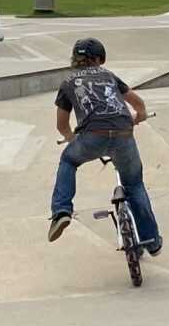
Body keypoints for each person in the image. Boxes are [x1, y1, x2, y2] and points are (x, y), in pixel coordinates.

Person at [49, 37, 160, 254]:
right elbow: (137, 103)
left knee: (68, 160)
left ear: (75, 59)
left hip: (92, 136)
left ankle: (61, 212)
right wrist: (140, 116)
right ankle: (152, 241)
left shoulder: (68, 83)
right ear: (99, 59)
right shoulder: (108, 76)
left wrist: (73, 138)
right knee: (135, 185)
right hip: (123, 134)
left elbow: (61, 125)